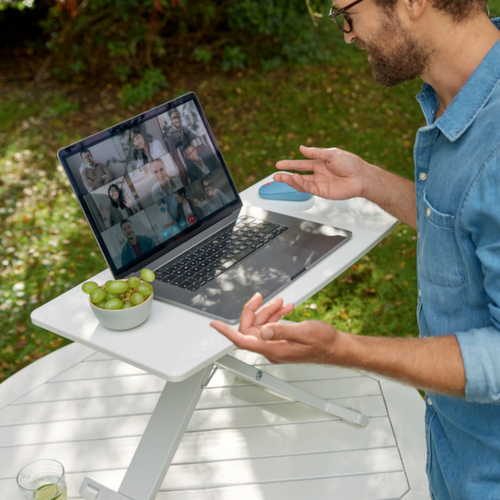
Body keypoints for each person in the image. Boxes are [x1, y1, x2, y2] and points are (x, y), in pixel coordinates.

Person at [211, 1, 500, 499]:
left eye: (345, 13)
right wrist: (369, 181)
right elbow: (465, 222)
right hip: (458, 448)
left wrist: (344, 350)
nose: (346, 35)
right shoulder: (461, 95)